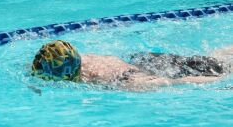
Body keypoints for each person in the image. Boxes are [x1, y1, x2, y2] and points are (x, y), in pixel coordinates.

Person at [30, 39, 233, 90]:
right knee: (210, 59)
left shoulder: (108, 78)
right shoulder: (84, 58)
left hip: (138, 73)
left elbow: (173, 82)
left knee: (222, 68)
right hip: (145, 59)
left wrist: (221, 81)